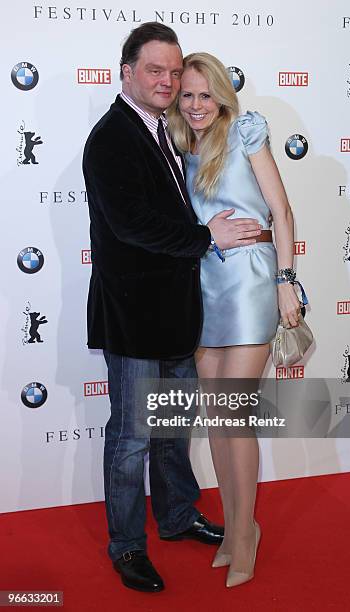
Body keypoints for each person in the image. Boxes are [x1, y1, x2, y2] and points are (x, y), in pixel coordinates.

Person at [82, 24, 263, 593]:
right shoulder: (112, 137)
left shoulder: (171, 132)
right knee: (133, 437)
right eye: (154, 71)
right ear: (126, 72)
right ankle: (128, 545)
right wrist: (206, 237)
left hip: (183, 314)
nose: (166, 81)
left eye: (172, 72)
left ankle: (179, 515)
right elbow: (131, 225)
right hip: (135, 318)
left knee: (171, 429)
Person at [167, 52, 301, 588]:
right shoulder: (179, 145)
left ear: (222, 94)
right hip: (201, 284)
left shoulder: (245, 134)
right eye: (188, 95)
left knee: (234, 415)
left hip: (248, 281)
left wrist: (287, 282)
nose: (197, 105)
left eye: (205, 94)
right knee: (219, 420)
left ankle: (245, 533)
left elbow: (283, 212)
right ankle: (234, 528)